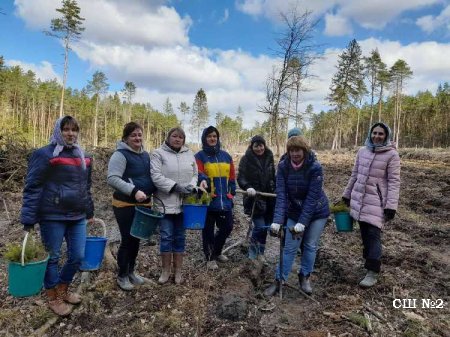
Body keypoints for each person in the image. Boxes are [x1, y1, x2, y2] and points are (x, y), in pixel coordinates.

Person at [20, 116, 94, 316]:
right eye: (66, 129)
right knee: (52, 257)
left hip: (77, 215)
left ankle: (63, 288)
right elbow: (32, 187)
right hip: (52, 215)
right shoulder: (45, 154)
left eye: (74, 130)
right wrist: (28, 219)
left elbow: (86, 187)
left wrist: (89, 211)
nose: (71, 133)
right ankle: (52, 296)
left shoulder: (83, 155)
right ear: (57, 131)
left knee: (77, 256)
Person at [265, 136, 329, 296]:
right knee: (289, 247)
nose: (295, 153)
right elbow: (281, 196)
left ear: (304, 150)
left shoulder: (314, 167)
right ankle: (279, 280)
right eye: (291, 150)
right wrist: (277, 221)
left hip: (317, 212)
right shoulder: (283, 167)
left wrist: (302, 223)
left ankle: (305, 276)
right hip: (294, 210)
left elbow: (312, 198)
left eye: (298, 150)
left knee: (309, 245)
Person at [342, 122, 400, 288]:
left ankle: (373, 272)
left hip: (377, 203)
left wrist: (391, 206)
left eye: (381, 134)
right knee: (365, 236)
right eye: (374, 133)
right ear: (370, 134)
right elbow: (355, 175)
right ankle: (368, 264)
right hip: (360, 200)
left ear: (386, 136)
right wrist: (347, 194)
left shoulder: (392, 155)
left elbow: (394, 182)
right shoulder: (362, 151)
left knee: (373, 235)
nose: (377, 136)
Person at [107, 122, 156, 291]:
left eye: (139, 135)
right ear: (126, 138)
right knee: (127, 239)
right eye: (133, 135)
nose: (137, 138)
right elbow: (113, 178)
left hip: (144, 204)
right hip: (125, 204)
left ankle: (131, 272)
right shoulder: (120, 155)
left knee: (136, 239)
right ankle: (122, 275)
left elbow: (151, 176)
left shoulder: (146, 156)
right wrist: (133, 191)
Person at [151, 127, 198, 284]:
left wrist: (191, 186)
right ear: (168, 137)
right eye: (174, 136)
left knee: (180, 237)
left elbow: (195, 174)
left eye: (180, 137)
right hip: (165, 203)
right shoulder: (158, 153)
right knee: (166, 236)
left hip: (184, 204)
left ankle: (178, 272)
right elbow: (156, 176)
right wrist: (176, 187)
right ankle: (165, 271)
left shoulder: (189, 153)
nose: (177, 139)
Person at [195, 126, 236, 270]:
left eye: (214, 136)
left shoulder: (226, 156)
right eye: (209, 136)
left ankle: (217, 251)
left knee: (228, 226)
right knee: (208, 230)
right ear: (204, 139)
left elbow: (231, 176)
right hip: (208, 199)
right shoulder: (199, 156)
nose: (212, 139)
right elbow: (198, 173)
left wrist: (231, 193)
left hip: (225, 200)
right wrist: (203, 180)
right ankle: (210, 257)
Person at [237, 135, 275, 261]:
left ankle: (261, 253)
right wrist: (247, 187)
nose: (259, 148)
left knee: (265, 228)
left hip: (269, 199)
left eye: (261, 145)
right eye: (256, 146)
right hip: (254, 198)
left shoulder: (270, 157)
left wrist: (275, 189)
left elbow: (273, 176)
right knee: (259, 226)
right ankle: (253, 254)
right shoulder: (246, 159)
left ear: (264, 145)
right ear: (251, 147)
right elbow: (241, 177)